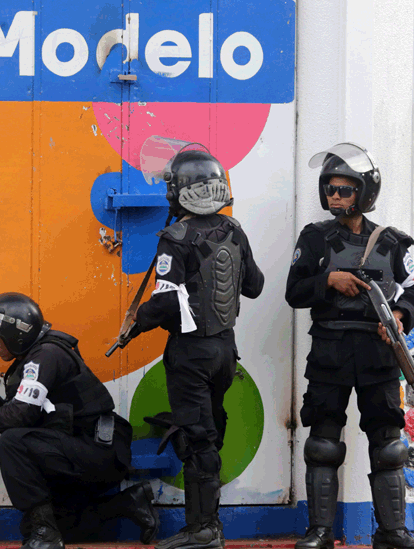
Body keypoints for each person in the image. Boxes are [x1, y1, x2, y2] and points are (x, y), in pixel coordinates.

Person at [133, 147, 264, 549]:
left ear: (179, 192)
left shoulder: (175, 238)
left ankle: (203, 530)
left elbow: (165, 302)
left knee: (197, 439)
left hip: (190, 354)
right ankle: (209, 527)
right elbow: (254, 286)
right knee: (210, 434)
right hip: (226, 349)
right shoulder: (234, 229)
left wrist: (139, 321)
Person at [0, 292, 161, 549]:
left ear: (16, 333)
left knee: (12, 443)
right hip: (80, 448)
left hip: (100, 448)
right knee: (40, 525)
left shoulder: (46, 355)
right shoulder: (33, 357)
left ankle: (47, 537)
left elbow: (19, 417)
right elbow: (18, 414)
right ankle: (130, 503)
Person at [287, 143, 414, 549]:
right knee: (323, 442)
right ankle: (320, 532)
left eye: (345, 189)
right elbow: (293, 292)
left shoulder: (393, 242)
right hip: (330, 350)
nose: (335, 197)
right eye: (330, 189)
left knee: (389, 444)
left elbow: (412, 290)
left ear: (365, 192)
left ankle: (392, 532)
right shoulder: (315, 238)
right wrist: (327, 281)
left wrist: (399, 316)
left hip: (378, 353)